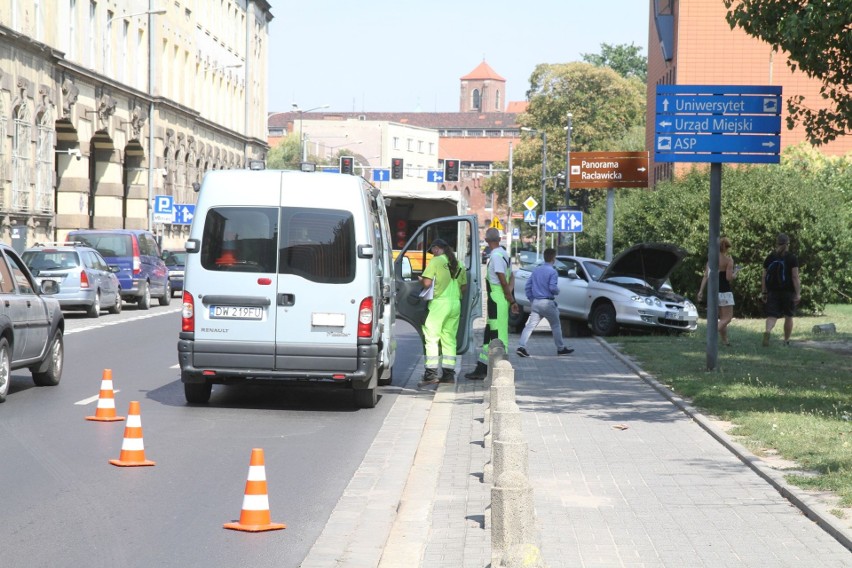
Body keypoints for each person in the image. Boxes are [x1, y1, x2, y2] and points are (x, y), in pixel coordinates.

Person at [465, 227, 518, 380]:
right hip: (499, 299)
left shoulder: (495, 256)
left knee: (497, 334)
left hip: (496, 299)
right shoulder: (505, 254)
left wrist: (510, 299)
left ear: (487, 241)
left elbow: (502, 278)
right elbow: (511, 277)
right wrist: (510, 296)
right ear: (499, 239)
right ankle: (482, 366)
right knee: (489, 334)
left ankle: (500, 369)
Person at [417, 238, 468, 387]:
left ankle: (430, 375)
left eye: (432, 251)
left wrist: (420, 279)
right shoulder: (459, 263)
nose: (432, 254)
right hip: (455, 304)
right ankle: (448, 375)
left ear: (437, 248)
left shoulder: (437, 261)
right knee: (449, 339)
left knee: (431, 337)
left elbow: (427, 283)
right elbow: (463, 287)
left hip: (440, 304)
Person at [516, 248, 574, 357]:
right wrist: (557, 291)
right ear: (553, 258)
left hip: (536, 303)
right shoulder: (553, 271)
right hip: (547, 303)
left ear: (544, 257)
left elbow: (528, 286)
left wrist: (532, 299)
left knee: (530, 326)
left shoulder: (536, 270)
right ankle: (560, 349)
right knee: (556, 325)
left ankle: (521, 347)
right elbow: (552, 288)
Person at [697, 237, 738, 346]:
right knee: (727, 318)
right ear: (726, 248)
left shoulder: (711, 259)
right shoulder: (729, 260)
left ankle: (725, 341)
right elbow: (729, 278)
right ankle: (711, 335)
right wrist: (735, 273)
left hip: (713, 292)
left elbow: (706, 276)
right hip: (725, 292)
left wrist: (701, 291)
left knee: (721, 319)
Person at [761, 232, 800, 347]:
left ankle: (767, 331)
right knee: (788, 316)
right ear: (788, 244)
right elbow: (795, 277)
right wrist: (798, 293)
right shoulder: (792, 258)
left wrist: (764, 291)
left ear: (776, 243)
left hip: (772, 291)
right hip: (788, 292)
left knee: (772, 316)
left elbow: (764, 276)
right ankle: (786, 340)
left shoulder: (770, 257)